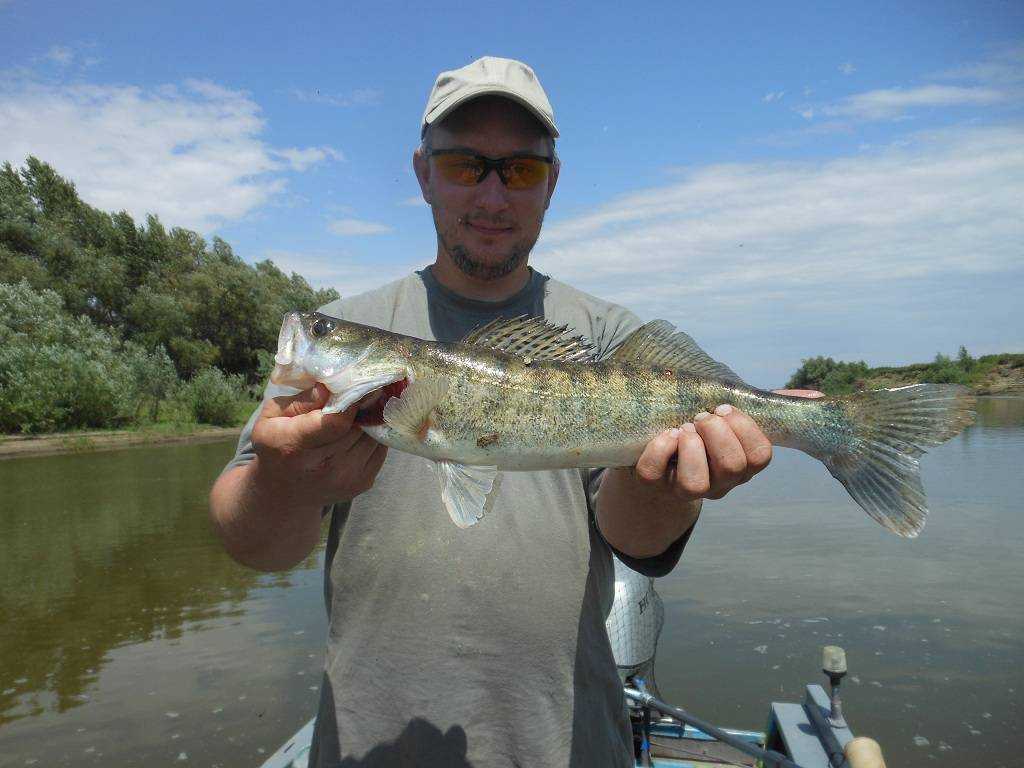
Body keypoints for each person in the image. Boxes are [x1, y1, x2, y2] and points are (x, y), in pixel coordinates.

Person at [209, 56, 802, 768]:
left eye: (519, 170)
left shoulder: (608, 339)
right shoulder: (340, 332)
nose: (492, 194)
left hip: (563, 743)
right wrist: (285, 484)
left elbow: (635, 542)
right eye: (465, 164)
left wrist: (667, 481)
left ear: (552, 182)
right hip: (372, 745)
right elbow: (254, 546)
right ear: (423, 172)